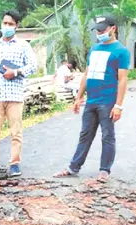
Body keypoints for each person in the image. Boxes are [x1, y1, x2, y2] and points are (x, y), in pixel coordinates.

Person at [53, 14, 130, 183]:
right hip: (91, 100)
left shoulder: (121, 51)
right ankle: (73, 167)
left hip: (108, 101)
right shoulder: (94, 49)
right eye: (97, 30)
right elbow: (86, 74)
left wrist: (119, 105)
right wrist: (79, 97)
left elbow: (123, 79)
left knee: (107, 136)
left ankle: (104, 170)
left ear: (113, 29)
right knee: (85, 135)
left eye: (102, 30)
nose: (99, 33)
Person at [0, 10, 37, 178]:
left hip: (15, 95)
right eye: (5, 23)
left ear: (16, 26)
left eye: (10, 24)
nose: (7, 26)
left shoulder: (23, 46)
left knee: (15, 132)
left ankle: (14, 163)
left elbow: (33, 66)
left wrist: (16, 72)